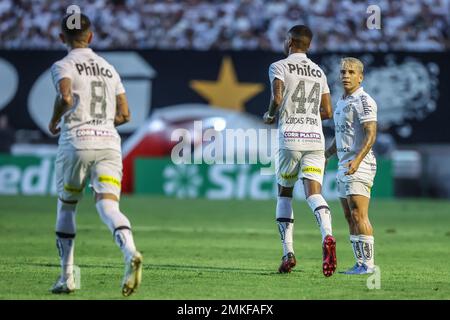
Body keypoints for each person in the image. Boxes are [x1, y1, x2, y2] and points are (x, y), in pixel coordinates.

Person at [48, 13, 142, 295]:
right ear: (90, 36)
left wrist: (54, 120)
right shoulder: (108, 68)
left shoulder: (63, 64)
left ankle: (67, 277)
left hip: (76, 141)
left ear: (62, 37)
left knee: (67, 205)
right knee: (108, 206)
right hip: (109, 143)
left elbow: (65, 98)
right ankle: (130, 252)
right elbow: (125, 114)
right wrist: (101, 125)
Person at [263, 25, 336, 277]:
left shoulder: (279, 66)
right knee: (314, 193)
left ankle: (288, 253)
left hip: (290, 138)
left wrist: (270, 115)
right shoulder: (319, 71)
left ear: (290, 41)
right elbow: (327, 111)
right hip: (316, 139)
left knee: (284, 194)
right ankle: (328, 235)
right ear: (309, 45)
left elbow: (277, 98)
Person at [325, 57, 377, 274]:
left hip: (359, 164)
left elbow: (371, 133)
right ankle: (359, 263)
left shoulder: (364, 101)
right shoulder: (342, 101)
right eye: (343, 72)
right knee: (349, 216)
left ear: (360, 76)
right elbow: (341, 135)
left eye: (351, 72)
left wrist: (358, 160)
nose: (346, 76)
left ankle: (368, 265)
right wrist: (327, 154)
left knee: (359, 214)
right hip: (344, 163)